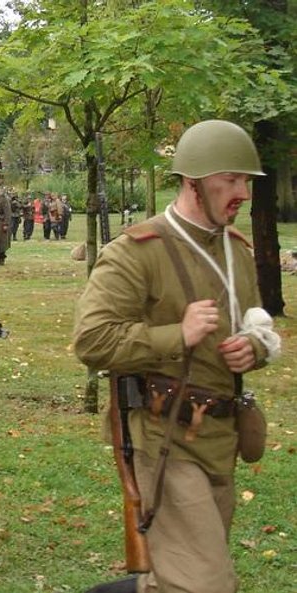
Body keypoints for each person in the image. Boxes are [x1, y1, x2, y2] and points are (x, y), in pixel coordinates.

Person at [74, 120, 281, 593]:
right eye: (231, 180)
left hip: (221, 437)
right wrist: (176, 335)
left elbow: (257, 323)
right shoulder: (136, 252)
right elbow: (91, 340)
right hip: (163, 437)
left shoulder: (237, 251)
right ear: (194, 182)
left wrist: (253, 348)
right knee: (205, 583)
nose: (243, 193)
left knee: (180, 575)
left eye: (246, 181)